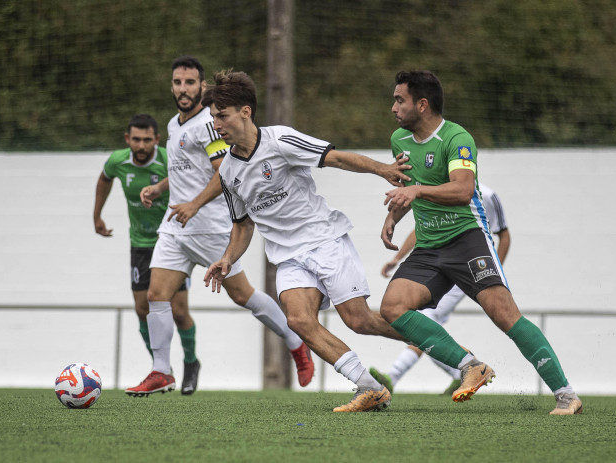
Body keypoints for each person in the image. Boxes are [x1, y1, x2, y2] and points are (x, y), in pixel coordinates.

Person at [202, 70, 413, 412]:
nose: (217, 125)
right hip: (288, 257)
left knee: (359, 320)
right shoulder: (227, 171)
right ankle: (369, 386)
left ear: (245, 112)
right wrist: (228, 258)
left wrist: (382, 169)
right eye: (213, 118)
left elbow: (336, 157)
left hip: (324, 240)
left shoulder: (280, 140)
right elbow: (242, 226)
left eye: (222, 116)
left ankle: (438, 345)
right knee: (298, 320)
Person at [378, 70, 582, 415]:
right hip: (429, 247)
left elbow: (462, 190)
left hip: (467, 241)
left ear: (422, 105)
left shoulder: (457, 138)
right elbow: (409, 187)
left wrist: (416, 190)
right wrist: (393, 216)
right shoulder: (400, 139)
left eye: (400, 100)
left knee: (505, 316)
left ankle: (566, 394)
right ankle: (470, 365)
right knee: (392, 307)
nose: (393, 107)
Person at [124, 56, 314, 397]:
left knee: (244, 296)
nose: (183, 89)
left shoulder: (210, 125)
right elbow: (186, 169)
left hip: (210, 228)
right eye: (178, 83)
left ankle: (295, 340)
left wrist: (195, 204)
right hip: (176, 227)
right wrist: (161, 188)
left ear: (202, 87)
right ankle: (161, 370)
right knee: (155, 296)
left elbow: (222, 170)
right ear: (172, 86)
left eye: (190, 83)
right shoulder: (173, 124)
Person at [370, 182, 510, 394]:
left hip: (466, 268)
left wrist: (491, 272)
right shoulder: (437, 187)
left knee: (426, 321)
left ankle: (394, 377)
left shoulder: (487, 195)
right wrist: (398, 258)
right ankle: (460, 372)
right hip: (437, 268)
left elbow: (504, 235)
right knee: (420, 321)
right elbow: (423, 229)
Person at [93, 114, 194, 375]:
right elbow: (105, 177)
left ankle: (191, 362)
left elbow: (190, 177)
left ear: (157, 140)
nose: (141, 146)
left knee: (180, 312)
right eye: (136, 140)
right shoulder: (118, 161)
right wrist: (97, 215)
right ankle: (161, 368)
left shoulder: (168, 159)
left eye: (147, 140)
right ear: (128, 139)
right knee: (141, 309)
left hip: (171, 242)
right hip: (140, 243)